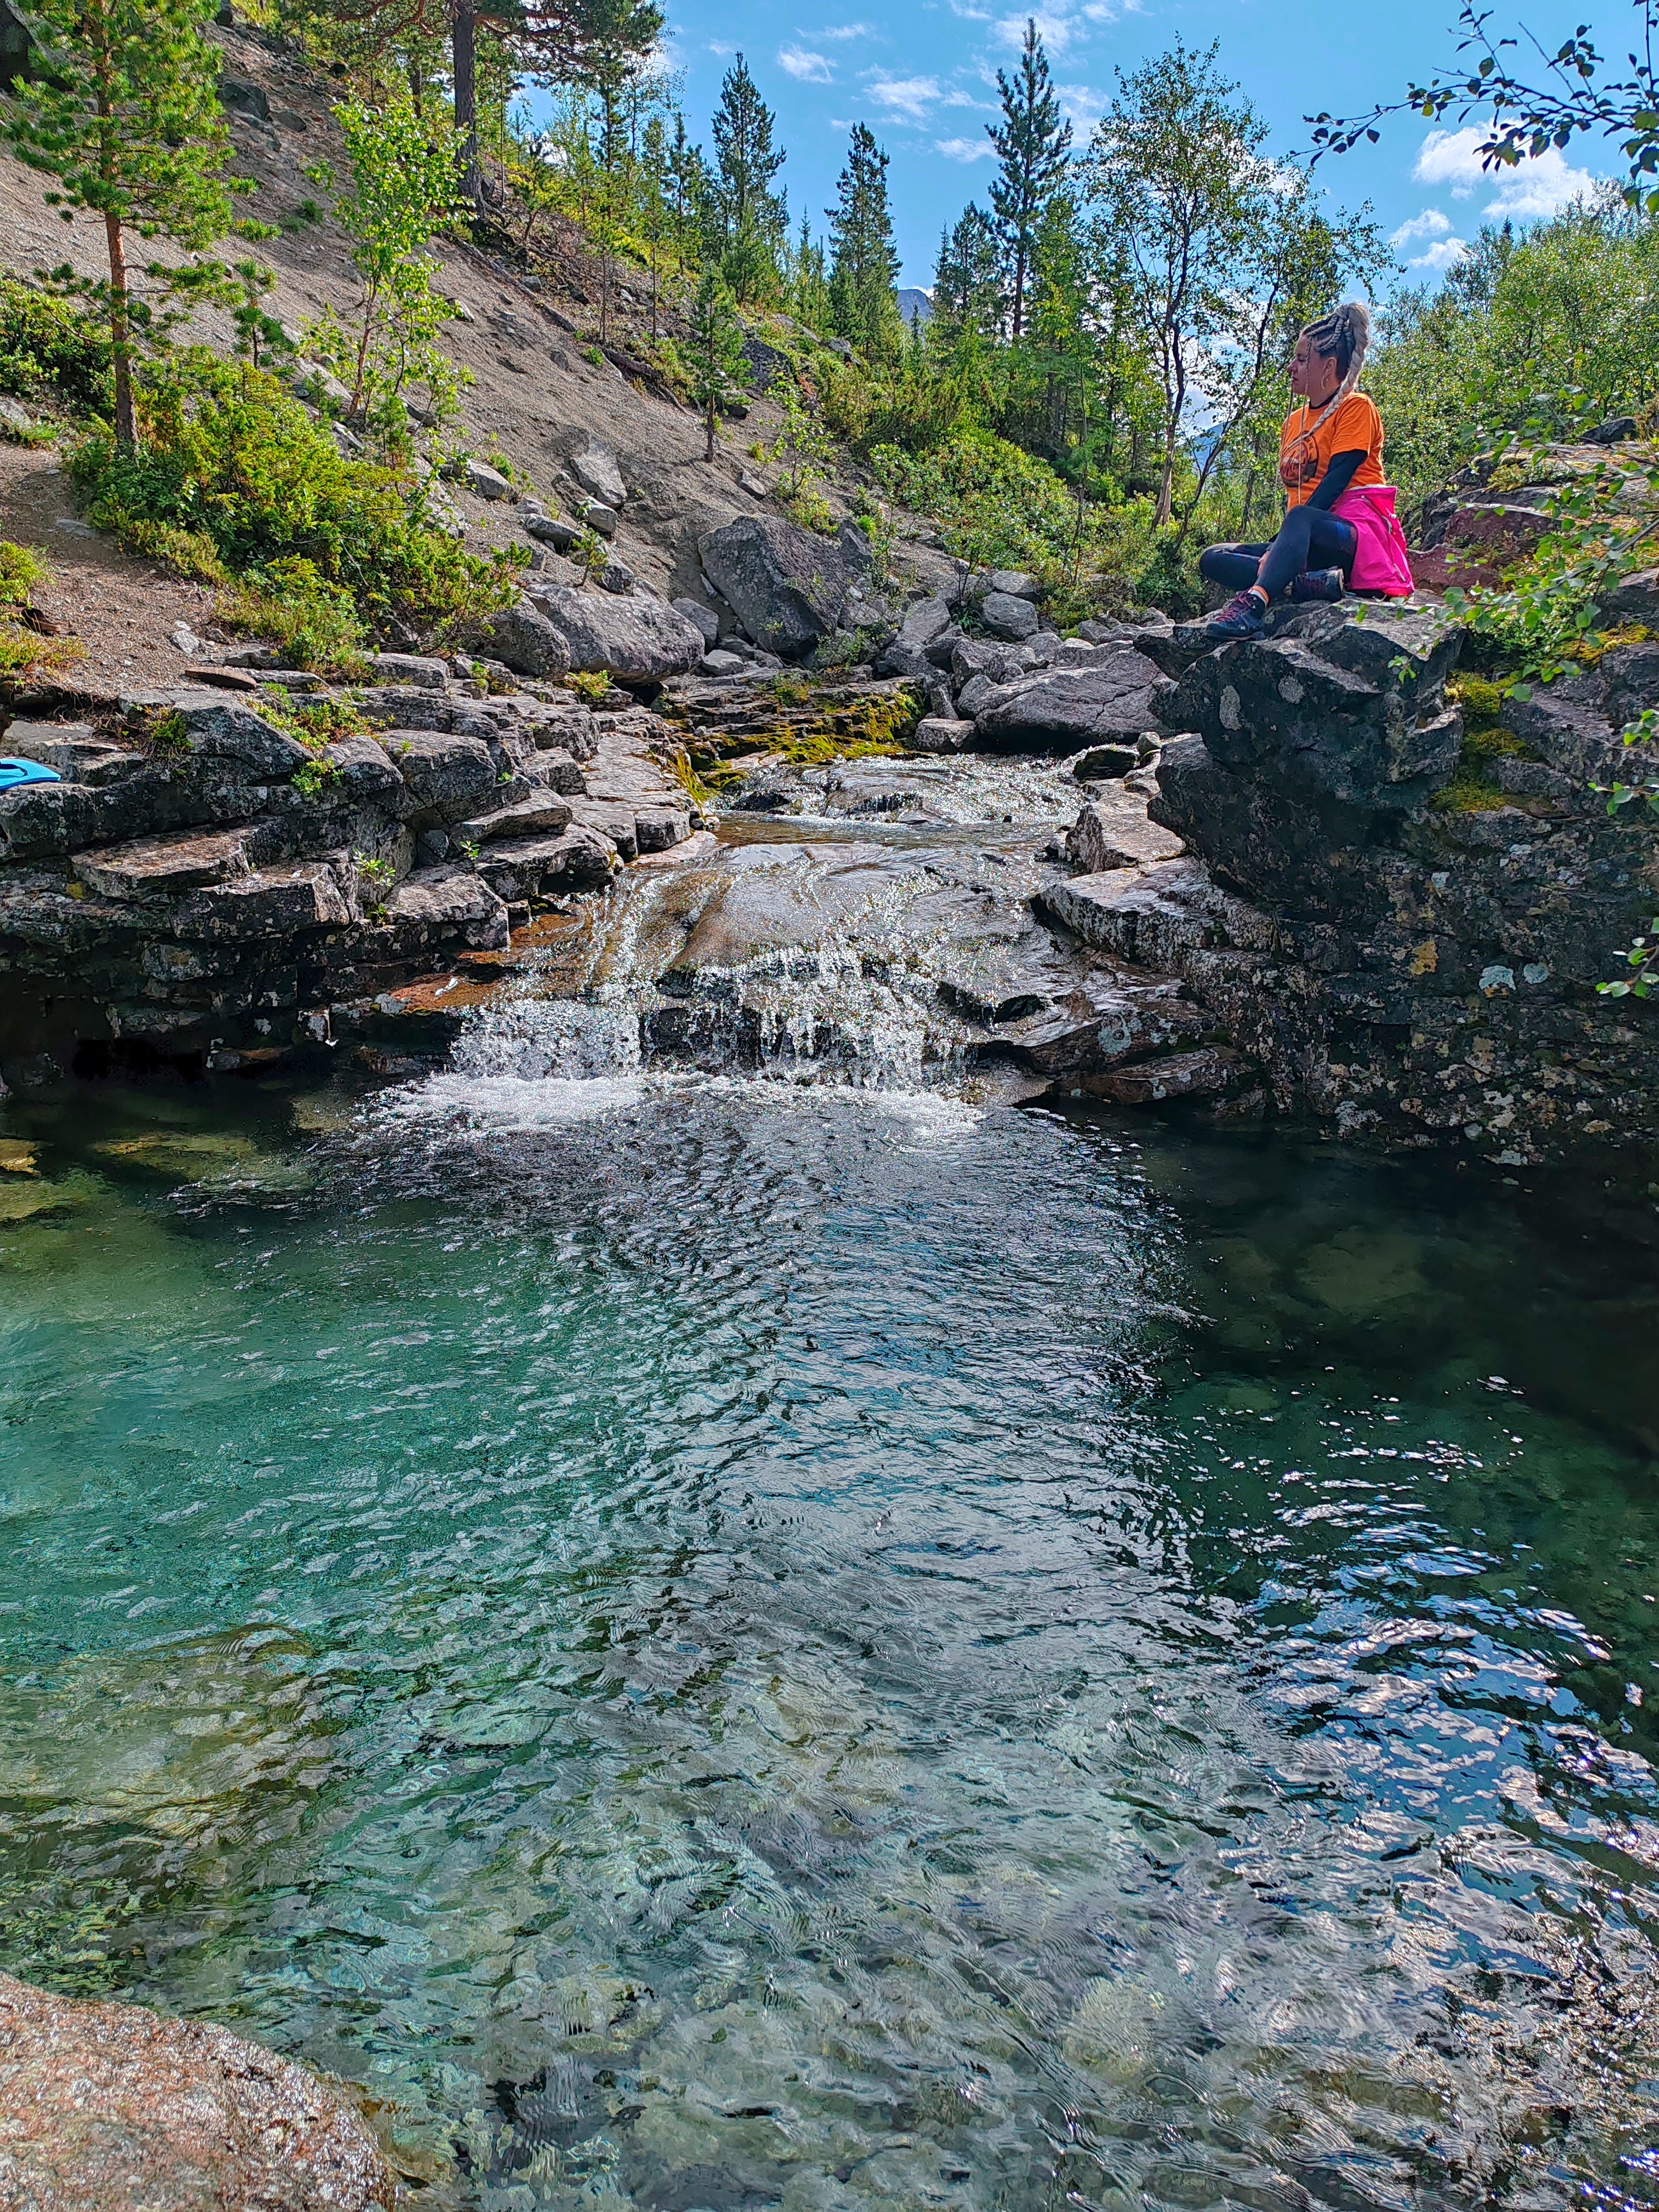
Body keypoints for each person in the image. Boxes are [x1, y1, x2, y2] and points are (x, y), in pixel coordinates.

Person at [1199, 301, 1414, 640]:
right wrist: (1276, 548)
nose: (1291, 368)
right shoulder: (1293, 423)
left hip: (1353, 533)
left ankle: (1255, 604)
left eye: (1301, 360)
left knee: (1300, 517)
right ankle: (1308, 583)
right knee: (1214, 557)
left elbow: (1335, 483)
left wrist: (1280, 543)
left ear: (1328, 366)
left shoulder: (1356, 408)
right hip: (1304, 538)